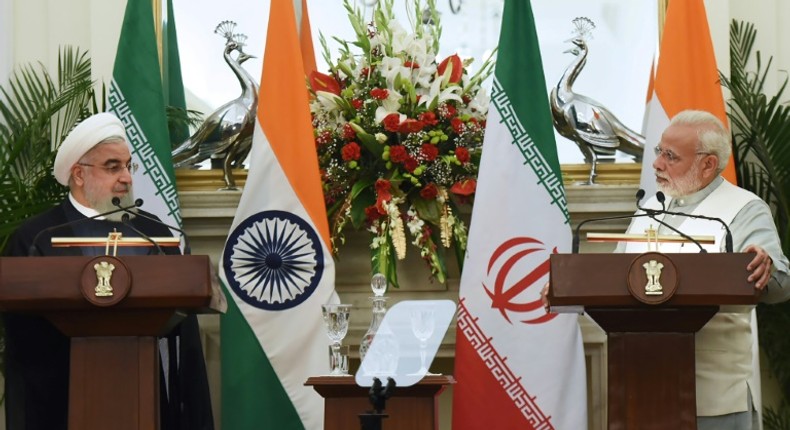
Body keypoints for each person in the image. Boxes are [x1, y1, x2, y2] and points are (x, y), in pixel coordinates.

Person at [544, 109, 790, 429]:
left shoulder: (744, 209)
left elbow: (781, 282)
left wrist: (765, 268)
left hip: (713, 400)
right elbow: (611, 278)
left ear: (708, 164)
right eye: (659, 150)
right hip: (639, 391)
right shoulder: (650, 208)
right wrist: (567, 287)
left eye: (670, 156)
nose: (657, 163)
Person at [3, 112, 215, 430]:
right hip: (58, 402)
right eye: (113, 166)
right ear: (78, 174)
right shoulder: (37, 237)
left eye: (129, 165)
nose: (127, 177)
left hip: (144, 393)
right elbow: (22, 336)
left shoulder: (154, 233)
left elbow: (181, 333)